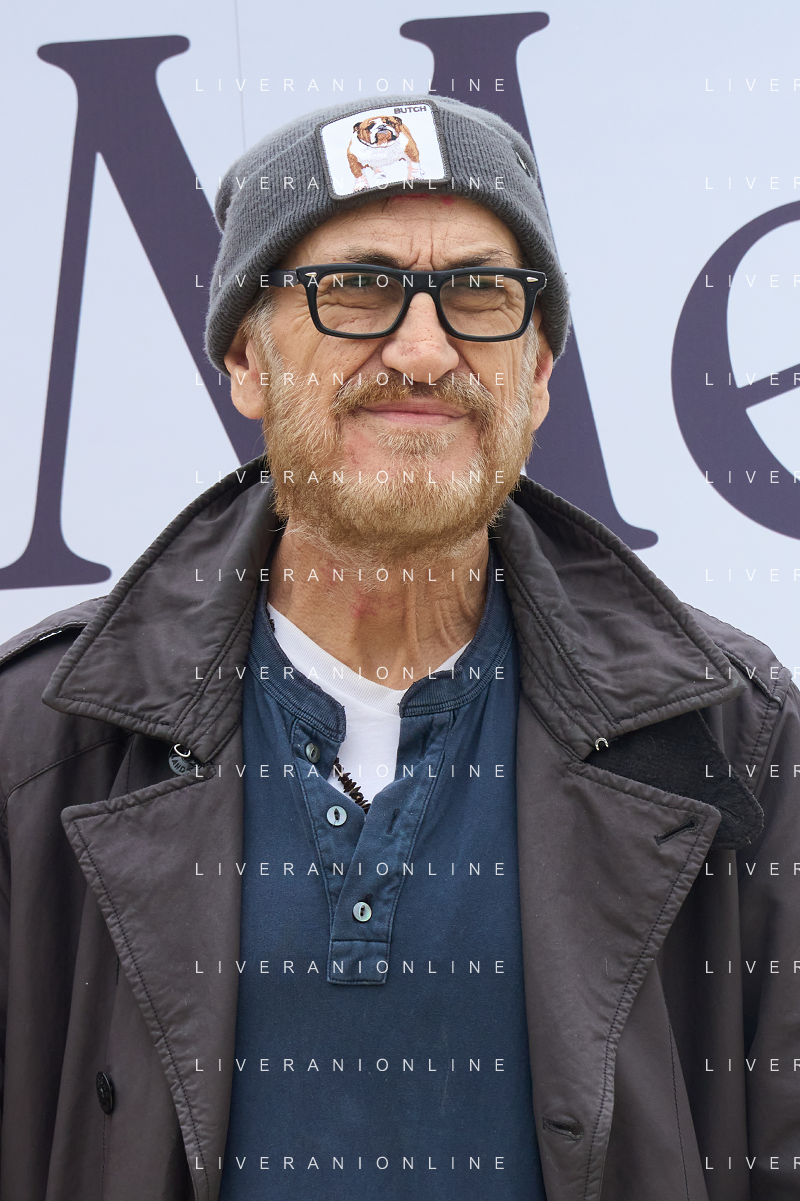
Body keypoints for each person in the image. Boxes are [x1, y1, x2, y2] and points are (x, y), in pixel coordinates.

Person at [0, 95, 796, 1201]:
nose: (423, 350)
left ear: (538, 373)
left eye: (479, 293)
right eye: (358, 288)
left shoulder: (729, 736)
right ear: (245, 359)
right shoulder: (43, 744)